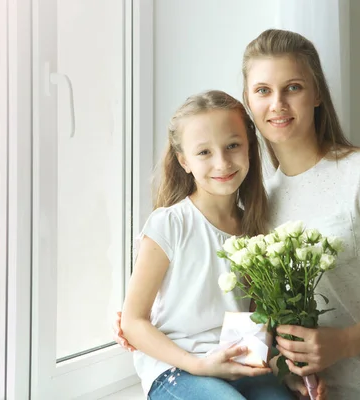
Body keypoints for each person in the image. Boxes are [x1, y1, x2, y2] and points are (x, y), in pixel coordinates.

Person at [116, 29, 360, 399]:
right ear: (248, 102)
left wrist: (344, 342)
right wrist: (148, 325)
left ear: (316, 94)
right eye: (263, 90)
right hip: (307, 392)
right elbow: (262, 317)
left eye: (293, 87)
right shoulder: (258, 209)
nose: (277, 103)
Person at [118, 90, 320, 399]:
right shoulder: (169, 224)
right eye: (204, 153)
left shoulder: (256, 232)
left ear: (249, 148)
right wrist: (198, 365)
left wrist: (283, 372)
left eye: (233, 146)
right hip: (177, 369)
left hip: (238, 363)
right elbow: (133, 321)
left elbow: (254, 322)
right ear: (184, 160)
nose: (222, 162)